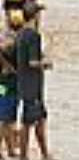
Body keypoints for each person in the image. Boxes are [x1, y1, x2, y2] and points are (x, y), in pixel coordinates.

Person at [15, 3, 52, 160]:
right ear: (35, 16)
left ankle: (44, 153)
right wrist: (46, 63)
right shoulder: (33, 35)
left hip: (25, 82)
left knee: (40, 119)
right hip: (33, 84)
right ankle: (25, 156)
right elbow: (32, 62)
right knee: (29, 122)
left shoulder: (21, 33)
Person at [0, 13, 21, 159]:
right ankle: (8, 149)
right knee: (6, 118)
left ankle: (10, 149)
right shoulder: (14, 42)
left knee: (7, 118)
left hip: (3, 84)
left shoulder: (6, 38)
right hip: (9, 84)